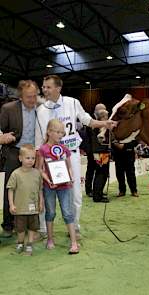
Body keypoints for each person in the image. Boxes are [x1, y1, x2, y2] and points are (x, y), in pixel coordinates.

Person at [35, 75, 116, 237]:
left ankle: (74, 226)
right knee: (46, 191)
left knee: (75, 192)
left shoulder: (72, 102)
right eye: (43, 87)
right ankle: (44, 228)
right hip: (49, 158)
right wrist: (39, 160)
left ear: (58, 88)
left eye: (48, 87)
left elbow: (87, 120)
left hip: (70, 155)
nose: (44, 90)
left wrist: (103, 123)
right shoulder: (41, 110)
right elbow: (39, 138)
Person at [0, 80, 39, 238]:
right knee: (11, 188)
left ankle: (30, 226)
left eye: (35, 96)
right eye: (29, 97)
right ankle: (8, 226)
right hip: (13, 152)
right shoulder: (8, 108)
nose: (32, 100)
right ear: (20, 96)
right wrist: (2, 137)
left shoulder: (41, 108)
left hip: (34, 154)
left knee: (32, 189)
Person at [36, 119, 79, 254]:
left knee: (67, 213)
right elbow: (39, 169)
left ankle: (73, 242)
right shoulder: (42, 150)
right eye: (58, 132)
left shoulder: (64, 149)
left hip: (65, 186)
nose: (61, 135)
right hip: (49, 187)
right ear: (49, 132)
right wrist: (48, 180)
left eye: (62, 132)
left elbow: (69, 167)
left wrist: (71, 177)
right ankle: (50, 239)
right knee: (51, 212)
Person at [7, 144, 43, 255]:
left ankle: (30, 244)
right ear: (20, 158)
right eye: (28, 158)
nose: (30, 160)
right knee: (20, 228)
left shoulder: (37, 173)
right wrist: (11, 204)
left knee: (33, 227)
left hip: (34, 208)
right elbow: (11, 190)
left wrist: (41, 203)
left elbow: (40, 190)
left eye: (33, 158)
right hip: (20, 208)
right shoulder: (16, 174)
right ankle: (20, 242)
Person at [83, 103, 107, 198]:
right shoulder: (91, 122)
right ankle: (89, 190)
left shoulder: (104, 122)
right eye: (102, 112)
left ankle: (98, 190)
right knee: (91, 170)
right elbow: (89, 138)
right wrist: (90, 152)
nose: (104, 114)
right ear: (96, 112)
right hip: (93, 151)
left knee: (100, 172)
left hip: (102, 151)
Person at [91, 109, 111, 203]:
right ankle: (97, 196)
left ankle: (98, 193)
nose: (108, 117)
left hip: (98, 152)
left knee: (100, 173)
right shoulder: (102, 125)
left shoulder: (96, 124)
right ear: (103, 117)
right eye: (106, 116)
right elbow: (100, 138)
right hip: (102, 152)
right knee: (102, 174)